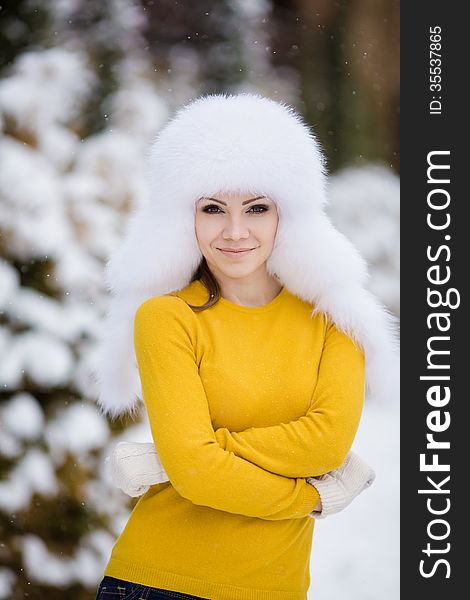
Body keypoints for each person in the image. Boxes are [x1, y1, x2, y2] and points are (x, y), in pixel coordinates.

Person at [94, 93, 398, 600]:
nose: (235, 231)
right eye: (213, 208)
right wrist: (310, 499)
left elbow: (325, 443)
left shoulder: (337, 320)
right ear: (184, 218)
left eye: (257, 207)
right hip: (157, 583)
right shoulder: (167, 318)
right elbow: (197, 473)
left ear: (289, 215)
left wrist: (179, 459)